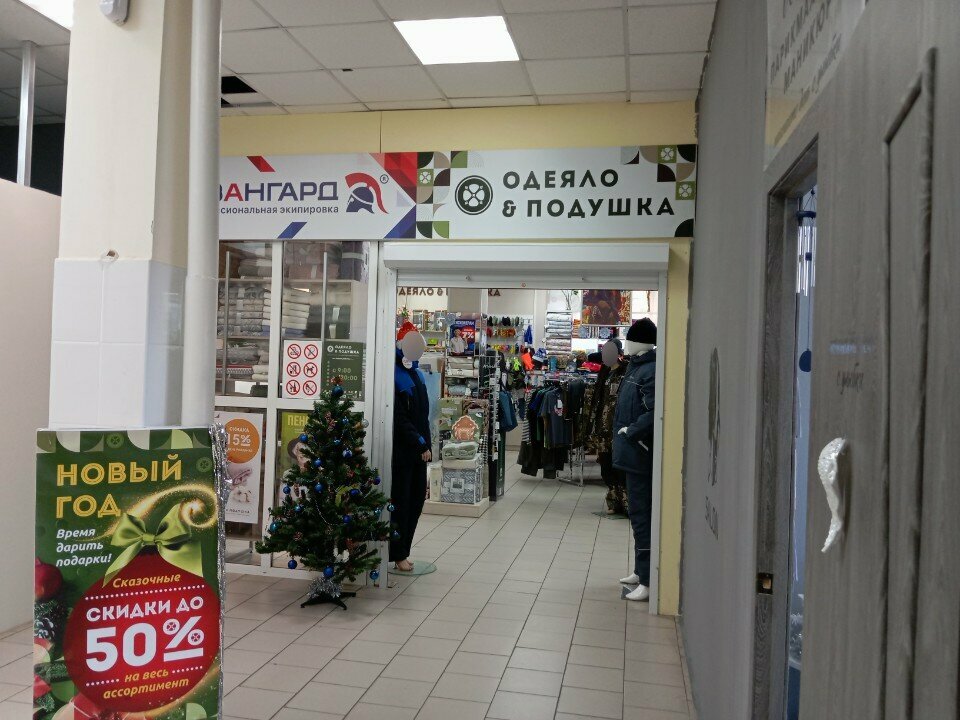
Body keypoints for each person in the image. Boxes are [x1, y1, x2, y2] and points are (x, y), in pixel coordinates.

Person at [391, 322, 431, 572]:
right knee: (402, 504)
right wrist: (419, 442)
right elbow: (399, 419)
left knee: (415, 503)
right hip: (403, 453)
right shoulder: (393, 375)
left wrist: (426, 443)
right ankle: (398, 554)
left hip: (419, 452)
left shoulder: (417, 374)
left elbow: (422, 416)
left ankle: (404, 550)